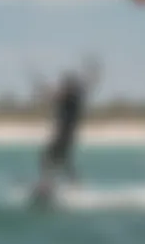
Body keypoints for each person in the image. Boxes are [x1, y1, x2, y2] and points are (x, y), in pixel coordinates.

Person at [33, 57, 100, 198]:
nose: (61, 86)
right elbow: (88, 84)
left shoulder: (69, 96)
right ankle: (75, 184)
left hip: (63, 134)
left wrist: (41, 89)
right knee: (63, 160)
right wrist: (93, 71)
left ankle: (46, 184)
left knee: (47, 157)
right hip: (69, 135)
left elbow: (53, 95)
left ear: (69, 85)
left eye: (64, 84)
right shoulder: (77, 94)